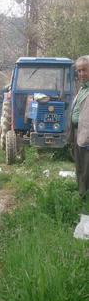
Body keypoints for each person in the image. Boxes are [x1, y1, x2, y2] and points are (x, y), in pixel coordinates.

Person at [67, 55, 89, 202]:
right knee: (80, 169)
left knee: (87, 171)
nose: (81, 73)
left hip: (87, 137)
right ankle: (83, 199)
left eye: (85, 70)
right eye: (79, 71)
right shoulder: (82, 89)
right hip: (78, 134)